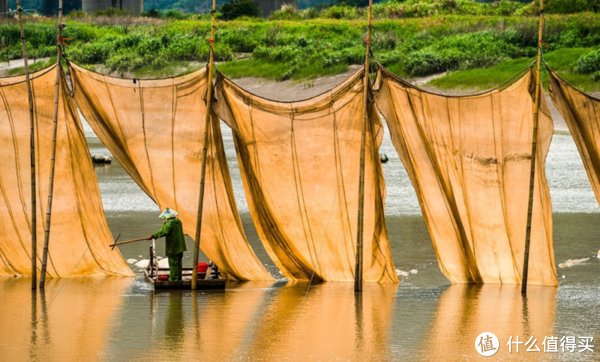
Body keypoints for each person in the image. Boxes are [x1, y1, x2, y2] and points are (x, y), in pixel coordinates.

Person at [148, 208, 186, 281]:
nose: (164, 219)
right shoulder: (178, 221)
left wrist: (153, 235)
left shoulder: (169, 223)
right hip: (180, 247)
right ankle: (178, 279)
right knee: (178, 263)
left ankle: (174, 280)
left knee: (173, 264)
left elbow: (163, 231)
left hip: (173, 247)